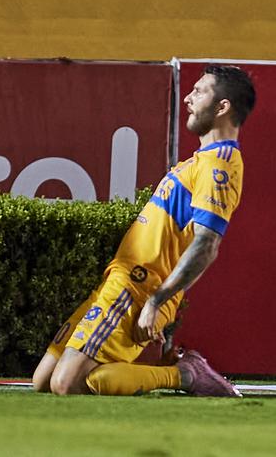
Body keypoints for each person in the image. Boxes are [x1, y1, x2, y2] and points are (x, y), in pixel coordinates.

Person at [32, 65, 256, 396]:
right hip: (119, 283)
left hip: (137, 289)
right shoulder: (200, 160)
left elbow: (207, 245)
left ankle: (183, 375)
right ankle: (171, 370)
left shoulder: (219, 163)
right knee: (44, 382)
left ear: (223, 107)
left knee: (67, 384)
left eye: (199, 91)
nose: (189, 99)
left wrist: (157, 300)